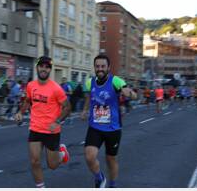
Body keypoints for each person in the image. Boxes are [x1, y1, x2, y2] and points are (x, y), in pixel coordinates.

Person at [81, 55, 137, 188]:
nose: (100, 69)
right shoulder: (90, 82)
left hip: (113, 128)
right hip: (95, 126)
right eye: (97, 66)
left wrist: (130, 94)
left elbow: (131, 94)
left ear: (108, 68)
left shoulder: (115, 81)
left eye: (103, 66)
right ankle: (99, 178)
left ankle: (112, 185)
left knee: (110, 159)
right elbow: (89, 97)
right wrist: (84, 110)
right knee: (89, 156)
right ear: (94, 67)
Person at [15, 56, 71, 188]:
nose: (44, 69)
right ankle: (41, 187)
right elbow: (28, 101)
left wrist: (57, 122)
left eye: (47, 67)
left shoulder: (56, 88)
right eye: (42, 66)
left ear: (50, 70)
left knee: (52, 165)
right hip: (35, 128)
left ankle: (62, 153)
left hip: (51, 131)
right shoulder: (31, 85)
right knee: (34, 161)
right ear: (37, 67)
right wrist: (20, 113)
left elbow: (68, 107)